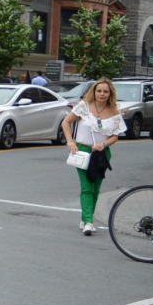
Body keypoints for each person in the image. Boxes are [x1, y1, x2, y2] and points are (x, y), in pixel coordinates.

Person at [61, 78, 126, 236]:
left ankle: (85, 218)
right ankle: (89, 222)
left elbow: (115, 136)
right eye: (99, 91)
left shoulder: (114, 111)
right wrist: (70, 142)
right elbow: (66, 123)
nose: (102, 94)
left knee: (96, 188)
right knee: (87, 187)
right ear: (94, 92)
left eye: (105, 91)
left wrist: (103, 145)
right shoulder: (83, 106)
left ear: (110, 93)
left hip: (102, 153)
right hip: (83, 151)